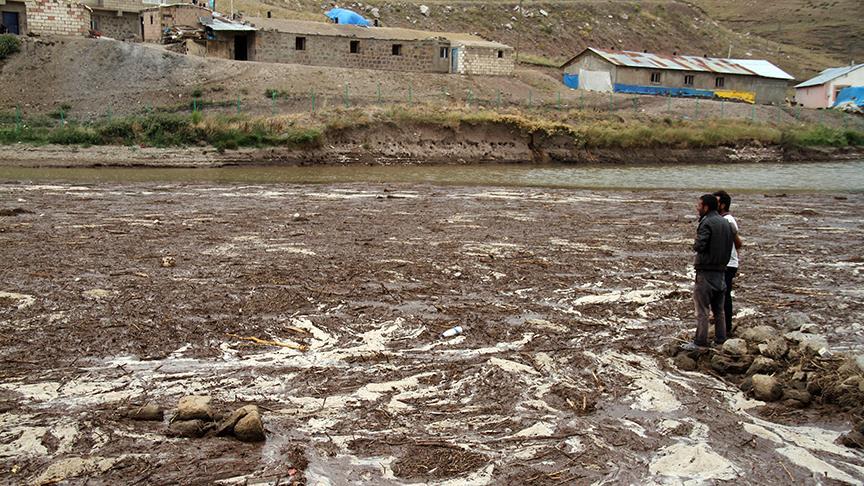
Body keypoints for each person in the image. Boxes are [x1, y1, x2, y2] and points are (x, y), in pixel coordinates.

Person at [682, 194, 734, 350]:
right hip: (722, 271)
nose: (697, 208)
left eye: (699, 205)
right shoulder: (726, 223)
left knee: (702, 309)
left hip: (706, 271)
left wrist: (697, 243)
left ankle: (700, 342)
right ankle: (720, 339)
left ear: (706, 207)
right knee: (719, 310)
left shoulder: (706, 222)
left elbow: (699, 246)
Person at [714, 190, 742, 336]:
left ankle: (726, 327)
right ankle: (724, 326)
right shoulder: (724, 219)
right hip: (727, 263)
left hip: (727, 264)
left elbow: (738, 242)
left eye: (716, 202)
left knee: (724, 296)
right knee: (721, 295)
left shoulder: (728, 220)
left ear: (723, 205)